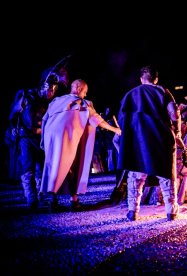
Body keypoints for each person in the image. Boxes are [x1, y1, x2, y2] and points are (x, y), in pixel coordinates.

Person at [40, 79, 122, 212]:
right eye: (85, 92)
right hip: (69, 141)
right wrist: (116, 130)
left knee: (54, 166)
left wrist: (43, 139)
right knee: (75, 166)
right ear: (78, 89)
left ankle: (52, 201)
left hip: (52, 140)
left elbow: (44, 120)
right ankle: (74, 201)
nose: (85, 95)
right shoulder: (84, 104)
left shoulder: (56, 101)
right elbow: (98, 120)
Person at [116, 65, 183, 221]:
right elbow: (175, 113)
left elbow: (122, 120)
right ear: (156, 79)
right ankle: (171, 212)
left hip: (138, 141)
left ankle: (133, 211)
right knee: (166, 176)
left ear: (141, 79)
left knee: (135, 177)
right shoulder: (163, 92)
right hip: (161, 138)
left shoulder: (130, 94)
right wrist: (178, 132)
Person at [5, 71, 61, 210]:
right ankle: (31, 198)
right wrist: (13, 128)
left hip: (42, 138)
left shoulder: (51, 102)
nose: (51, 92)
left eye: (54, 89)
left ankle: (44, 195)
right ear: (43, 87)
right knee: (27, 167)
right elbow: (12, 115)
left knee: (44, 168)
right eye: (50, 89)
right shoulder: (26, 97)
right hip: (26, 138)